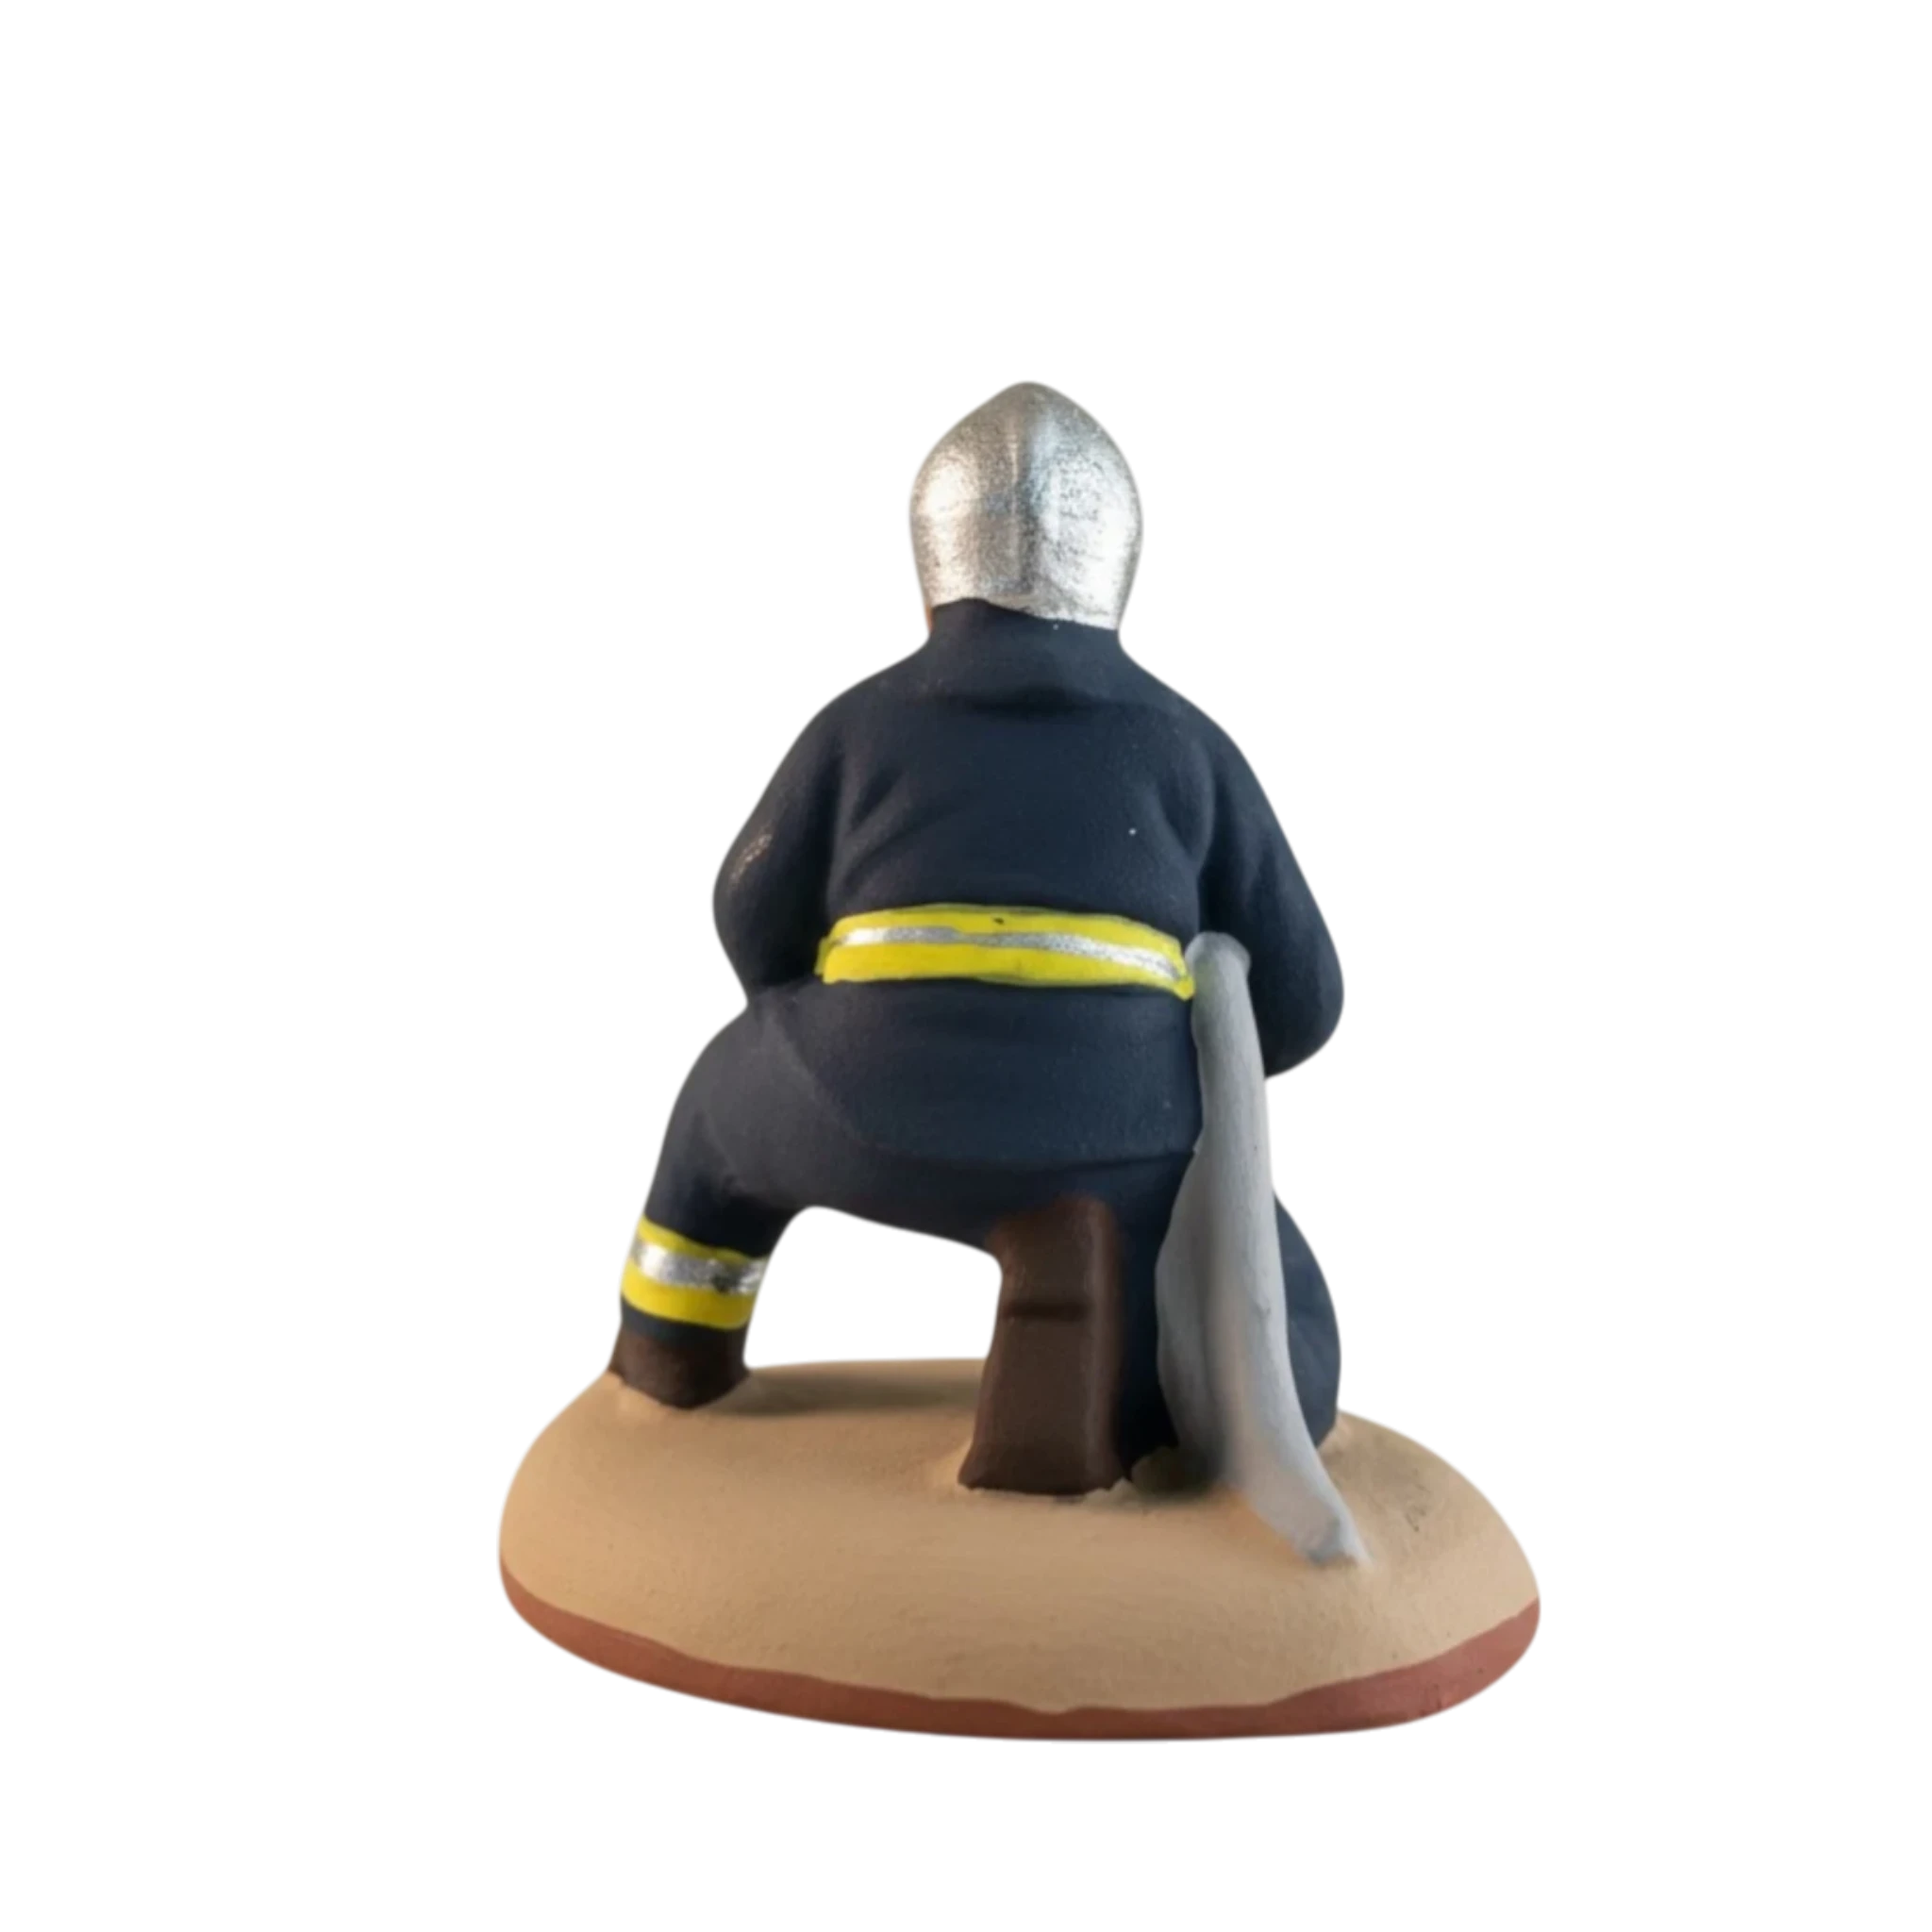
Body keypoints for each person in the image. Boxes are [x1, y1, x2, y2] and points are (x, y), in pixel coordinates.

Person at [612, 379, 1342, 1492]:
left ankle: (671, 1344)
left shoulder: (857, 726)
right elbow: (1302, 998)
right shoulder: (1187, 748)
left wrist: (808, 1023)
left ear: (929, 575)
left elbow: (747, 913)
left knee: (716, 1116)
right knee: (1185, 1237)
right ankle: (1098, 1348)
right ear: (1119, 572)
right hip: (1116, 1132)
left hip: (850, 1099)